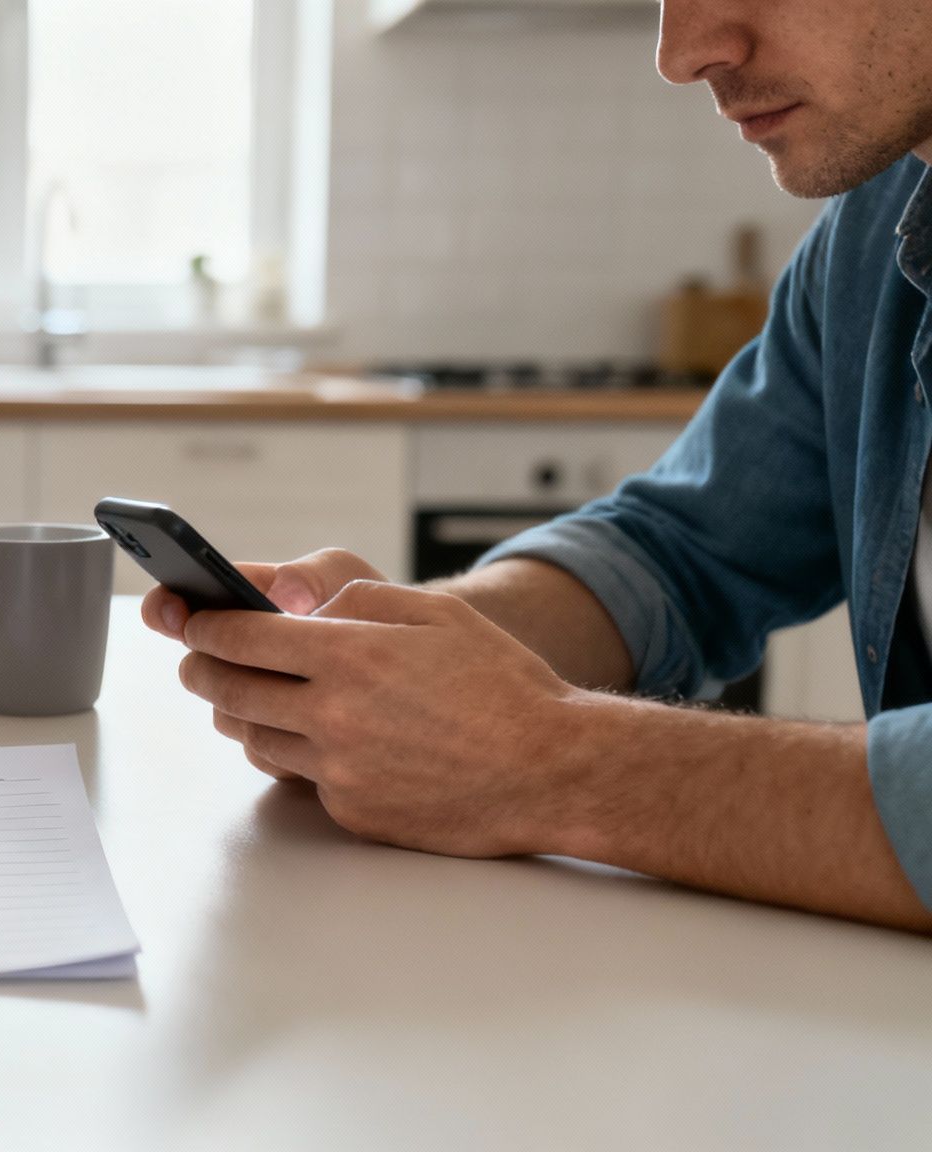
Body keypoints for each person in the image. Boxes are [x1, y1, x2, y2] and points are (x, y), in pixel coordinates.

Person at [145, 0, 932, 933]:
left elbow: (556, 744)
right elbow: (676, 551)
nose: (682, 55)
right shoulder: (870, 239)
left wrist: (553, 760)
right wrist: (411, 647)